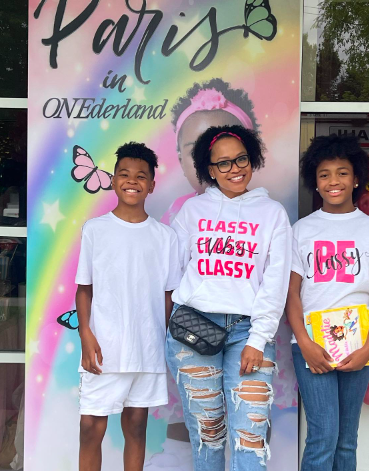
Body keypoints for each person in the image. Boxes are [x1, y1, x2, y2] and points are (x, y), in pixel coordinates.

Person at [166, 124, 292, 470]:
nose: (234, 169)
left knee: (250, 438)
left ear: (252, 159)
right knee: (207, 436)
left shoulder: (273, 214)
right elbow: (174, 271)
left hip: (248, 332)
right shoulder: (192, 212)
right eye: (223, 163)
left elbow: (276, 283)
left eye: (241, 159)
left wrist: (258, 339)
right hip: (193, 329)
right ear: (210, 169)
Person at [286, 134, 369, 471]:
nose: (333, 181)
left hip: (358, 345)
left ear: (357, 178)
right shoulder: (301, 231)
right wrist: (304, 343)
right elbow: (291, 293)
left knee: (347, 439)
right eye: (324, 174)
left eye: (342, 173)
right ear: (315, 182)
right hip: (311, 345)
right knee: (323, 436)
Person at [75, 142, 181, 471]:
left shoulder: (165, 237)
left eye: (141, 176)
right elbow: (84, 289)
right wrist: (86, 334)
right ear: (112, 180)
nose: (132, 180)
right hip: (103, 349)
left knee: (136, 427)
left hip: (147, 349)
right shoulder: (95, 229)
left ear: (151, 185)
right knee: (91, 427)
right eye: (124, 174)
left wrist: (162, 341)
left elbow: (169, 296)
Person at [161, 78, 258, 225]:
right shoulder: (177, 213)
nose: (210, 163)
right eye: (195, 152)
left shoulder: (264, 213)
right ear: (182, 163)